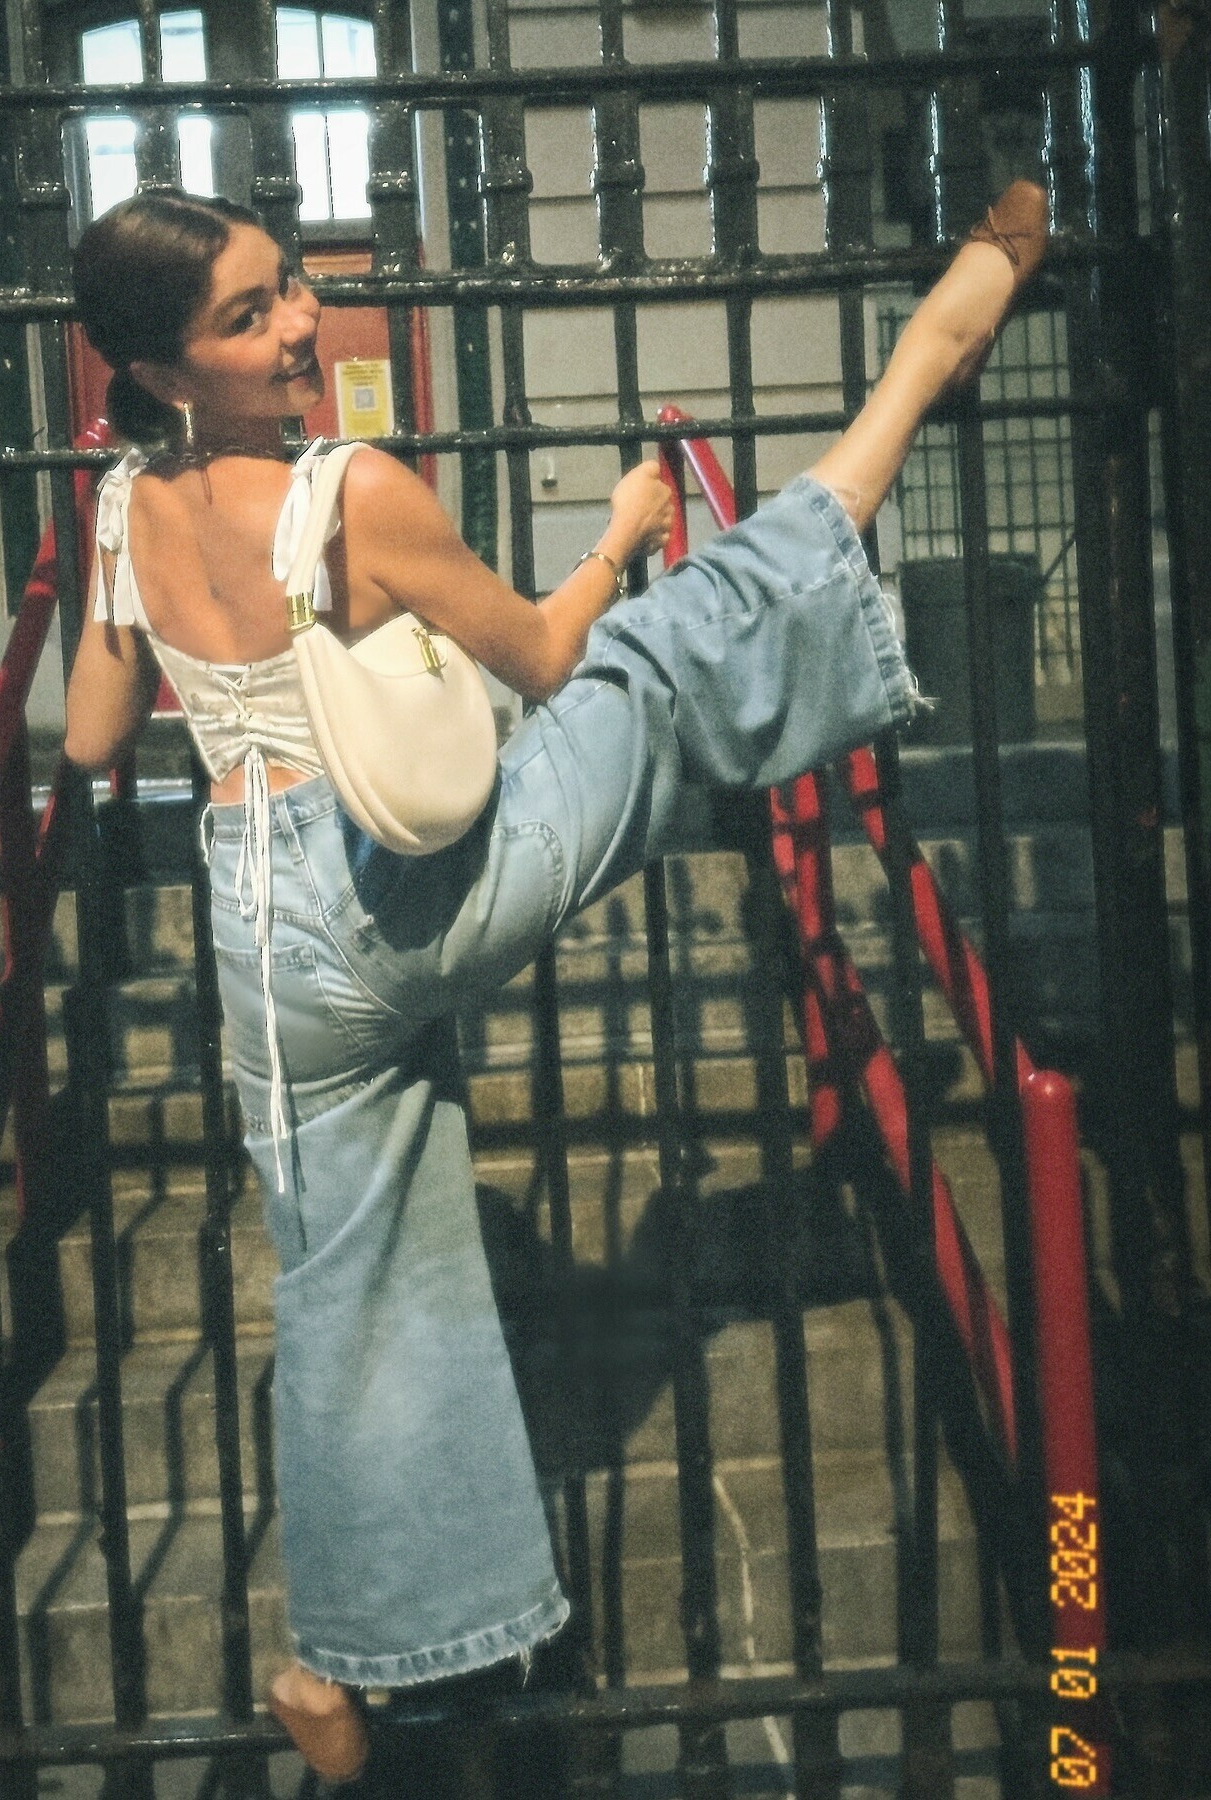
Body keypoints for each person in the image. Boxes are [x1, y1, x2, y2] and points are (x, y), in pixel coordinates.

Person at [66, 181, 1049, 1785]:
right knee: (654, 664)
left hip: (262, 941)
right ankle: (921, 367)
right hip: (405, 900)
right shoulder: (350, 487)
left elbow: (94, 736)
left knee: (343, 1290)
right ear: (167, 368)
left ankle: (343, 1669)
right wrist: (621, 540)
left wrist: (160, 598)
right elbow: (541, 656)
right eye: (250, 316)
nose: (302, 323)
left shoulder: (122, 507)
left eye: (290, 284)